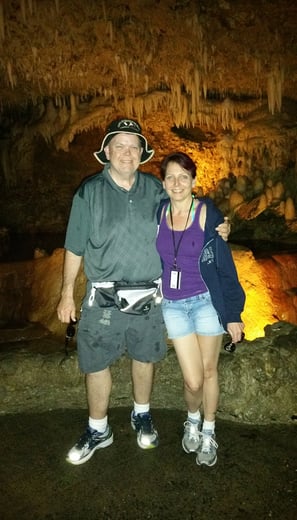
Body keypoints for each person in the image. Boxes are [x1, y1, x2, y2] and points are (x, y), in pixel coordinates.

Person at [57, 118, 230, 465]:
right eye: (119, 145)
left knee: (144, 358)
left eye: (133, 146)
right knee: (95, 364)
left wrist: (219, 224)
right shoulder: (88, 192)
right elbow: (74, 246)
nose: (126, 153)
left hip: (149, 297)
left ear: (142, 154)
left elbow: (188, 205)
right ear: (106, 152)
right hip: (102, 297)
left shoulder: (155, 188)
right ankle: (98, 428)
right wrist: (65, 294)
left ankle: (141, 414)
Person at [156, 151, 245, 467]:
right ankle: (191, 417)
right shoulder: (158, 212)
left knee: (209, 371)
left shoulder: (208, 213)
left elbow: (225, 265)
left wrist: (233, 313)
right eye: (171, 177)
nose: (177, 182)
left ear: (193, 181)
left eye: (183, 176)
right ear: (163, 182)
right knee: (192, 380)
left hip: (206, 301)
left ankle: (207, 430)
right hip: (174, 306)